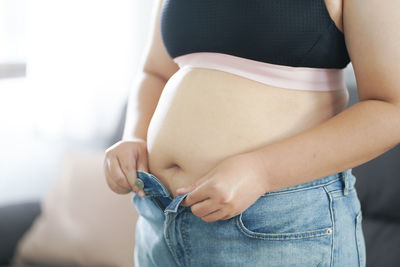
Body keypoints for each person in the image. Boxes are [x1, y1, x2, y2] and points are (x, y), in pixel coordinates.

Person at [104, 0, 400, 266]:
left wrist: (262, 171)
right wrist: (136, 137)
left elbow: (391, 108)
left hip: (278, 224)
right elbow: (154, 72)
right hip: (159, 218)